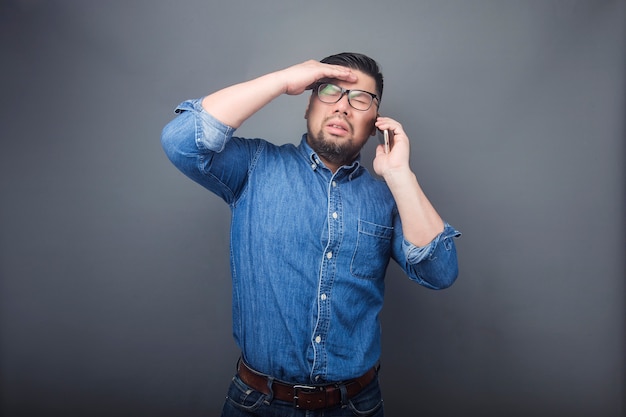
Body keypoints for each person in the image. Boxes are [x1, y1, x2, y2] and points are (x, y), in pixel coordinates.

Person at [161, 52, 461, 417]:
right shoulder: (255, 166)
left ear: (374, 123)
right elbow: (181, 140)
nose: (343, 107)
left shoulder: (389, 199)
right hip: (257, 405)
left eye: (360, 99)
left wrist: (400, 175)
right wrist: (282, 80)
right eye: (329, 91)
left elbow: (440, 271)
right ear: (308, 104)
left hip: (356, 407)